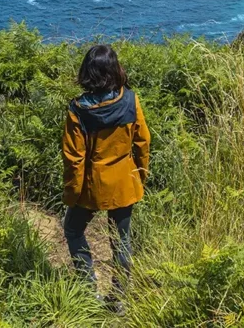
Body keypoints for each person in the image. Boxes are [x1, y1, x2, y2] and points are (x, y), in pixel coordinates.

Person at [62, 44, 150, 314]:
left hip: (91, 185)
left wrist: (72, 195)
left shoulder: (78, 110)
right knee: (121, 239)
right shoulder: (130, 100)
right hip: (124, 180)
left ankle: (88, 290)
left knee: (73, 229)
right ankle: (119, 297)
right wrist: (139, 177)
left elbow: (73, 159)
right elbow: (143, 143)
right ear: (114, 70)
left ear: (87, 71)